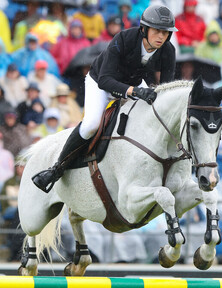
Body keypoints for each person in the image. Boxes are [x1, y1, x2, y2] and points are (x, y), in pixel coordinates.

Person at [31, 4, 177, 192]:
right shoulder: (123, 39)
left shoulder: (168, 51)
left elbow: (166, 90)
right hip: (100, 82)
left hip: (133, 83)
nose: (161, 37)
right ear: (144, 29)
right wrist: (135, 91)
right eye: (157, 31)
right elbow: (105, 81)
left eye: (165, 33)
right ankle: (57, 168)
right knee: (91, 123)